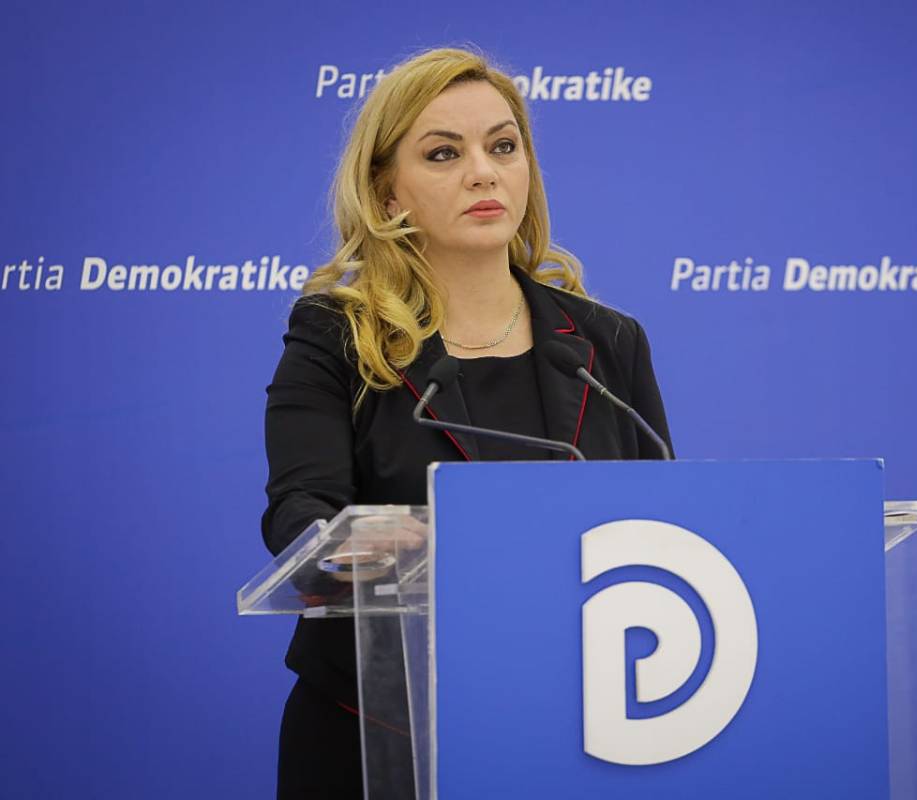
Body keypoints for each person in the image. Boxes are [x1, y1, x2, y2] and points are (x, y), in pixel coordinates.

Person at [261, 46, 673, 799]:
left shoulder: (608, 343)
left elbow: (664, 532)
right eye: (444, 153)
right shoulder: (338, 336)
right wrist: (348, 542)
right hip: (378, 731)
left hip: (576, 724)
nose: (484, 172)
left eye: (503, 146)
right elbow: (299, 512)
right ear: (386, 192)